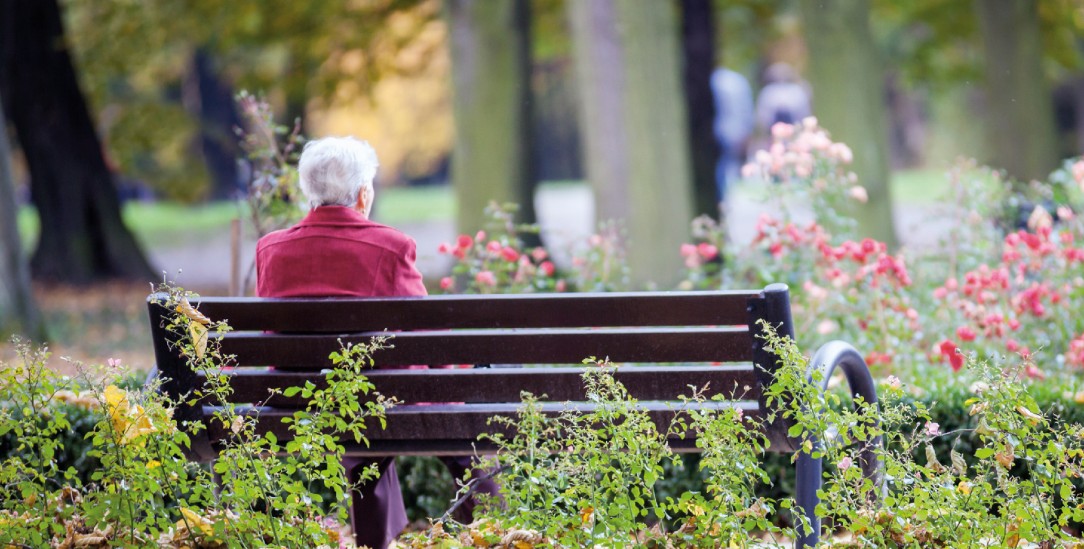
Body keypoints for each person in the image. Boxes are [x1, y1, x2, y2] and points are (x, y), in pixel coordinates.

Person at [255, 136, 497, 549]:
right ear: (364, 193)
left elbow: (269, 336)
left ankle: (376, 541)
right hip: (381, 399)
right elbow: (426, 335)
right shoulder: (391, 246)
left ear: (308, 193)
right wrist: (456, 377)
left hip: (299, 399)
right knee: (452, 428)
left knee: (364, 427)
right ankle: (492, 533)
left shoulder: (270, 249)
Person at [710, 67, 754, 206]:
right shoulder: (739, 81)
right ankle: (729, 197)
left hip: (723, 129)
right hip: (736, 130)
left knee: (726, 162)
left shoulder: (717, 78)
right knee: (730, 162)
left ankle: (724, 196)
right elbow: (747, 111)